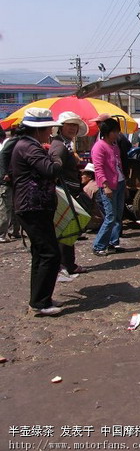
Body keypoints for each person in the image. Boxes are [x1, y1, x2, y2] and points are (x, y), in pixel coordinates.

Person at [9, 108, 63, 315]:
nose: (50, 131)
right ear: (39, 129)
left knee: (40, 254)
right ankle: (41, 302)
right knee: (50, 253)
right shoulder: (29, 147)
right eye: (48, 127)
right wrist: (57, 158)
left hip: (33, 205)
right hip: (33, 206)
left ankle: (40, 298)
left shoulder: (27, 145)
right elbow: (50, 170)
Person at [49, 111, 90, 279]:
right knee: (66, 228)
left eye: (75, 125)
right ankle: (64, 265)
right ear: (61, 127)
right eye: (69, 125)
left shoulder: (66, 144)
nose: (73, 128)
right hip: (64, 191)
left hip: (70, 189)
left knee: (70, 227)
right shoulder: (59, 145)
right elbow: (54, 165)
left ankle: (68, 264)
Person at [91, 117, 126, 256]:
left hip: (120, 183)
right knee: (110, 216)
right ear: (108, 132)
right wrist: (105, 185)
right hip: (109, 185)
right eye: (115, 132)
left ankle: (113, 242)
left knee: (117, 216)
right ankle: (98, 245)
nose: (117, 134)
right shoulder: (99, 146)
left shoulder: (114, 145)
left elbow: (118, 165)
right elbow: (98, 169)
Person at [80, 163, 103, 232]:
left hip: (95, 221)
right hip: (101, 218)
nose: (81, 176)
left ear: (89, 176)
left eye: (83, 174)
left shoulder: (88, 188)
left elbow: (85, 207)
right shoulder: (98, 185)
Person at [0, 127, 10, 242]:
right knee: (4, 206)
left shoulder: (6, 144)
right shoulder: (6, 145)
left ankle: (13, 230)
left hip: (6, 180)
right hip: (4, 180)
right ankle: (1, 233)